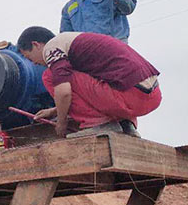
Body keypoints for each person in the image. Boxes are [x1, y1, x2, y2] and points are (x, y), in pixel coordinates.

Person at [16, 26, 161, 138]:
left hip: (129, 95)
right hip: (150, 96)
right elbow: (93, 86)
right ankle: (126, 124)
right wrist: (54, 110)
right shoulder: (74, 42)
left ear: (36, 44)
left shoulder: (52, 48)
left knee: (49, 76)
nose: (34, 63)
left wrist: (61, 122)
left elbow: (65, 92)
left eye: (29, 58)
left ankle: (99, 124)